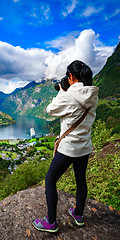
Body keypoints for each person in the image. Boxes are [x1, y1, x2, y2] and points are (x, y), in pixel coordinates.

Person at [33, 60, 99, 233]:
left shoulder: (69, 95)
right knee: (80, 180)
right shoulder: (93, 94)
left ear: (70, 76)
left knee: (50, 180)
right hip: (85, 147)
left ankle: (51, 222)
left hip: (68, 148)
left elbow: (50, 110)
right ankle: (78, 214)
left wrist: (62, 92)